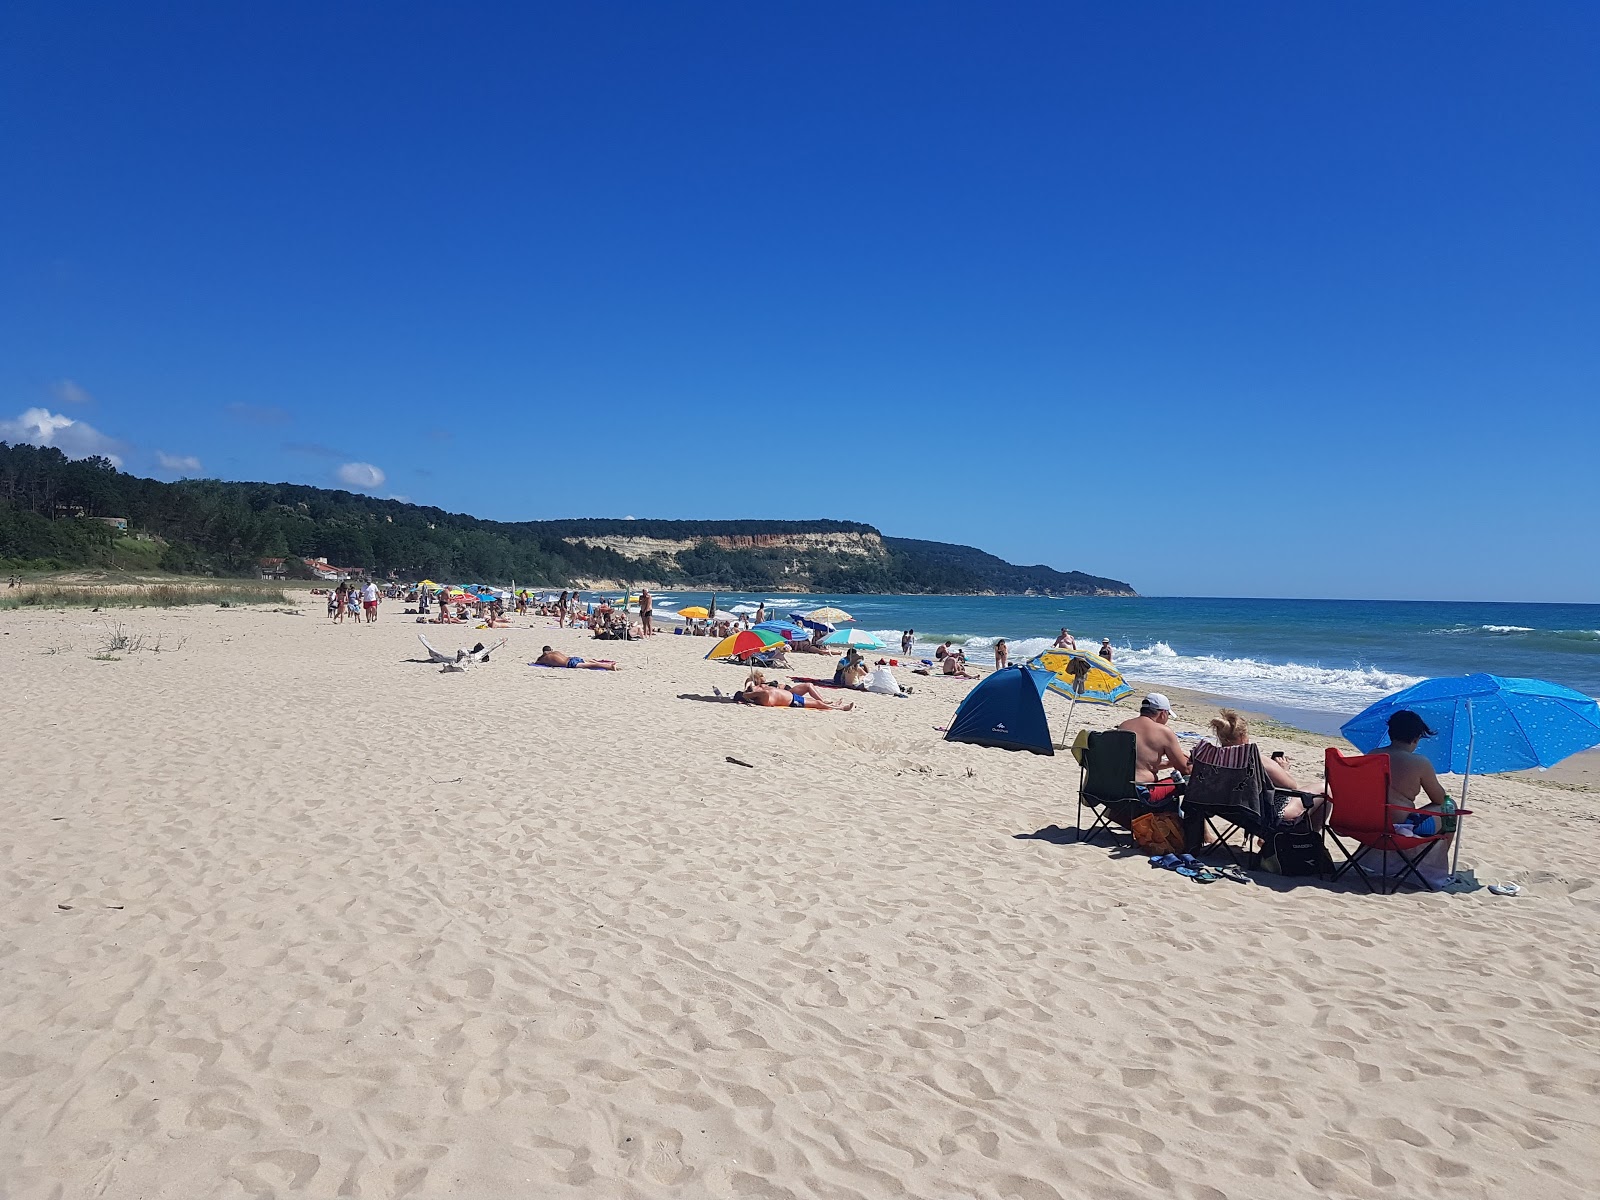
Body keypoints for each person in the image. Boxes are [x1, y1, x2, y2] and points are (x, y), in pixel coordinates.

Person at [1203, 708, 1321, 824]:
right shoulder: (1255, 759)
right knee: (1324, 790)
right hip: (1265, 814)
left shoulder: (1214, 758)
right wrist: (1284, 770)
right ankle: (1310, 837)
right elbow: (1292, 786)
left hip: (1231, 811)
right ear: (1243, 736)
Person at [1368, 710, 1448, 811]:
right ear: (1416, 739)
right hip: (1401, 822)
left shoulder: (1373, 754)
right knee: (1449, 805)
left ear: (1389, 733)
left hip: (1372, 817)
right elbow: (1440, 799)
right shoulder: (1420, 763)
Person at [1117, 693, 1191, 793]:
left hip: (1116, 786)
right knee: (1182, 781)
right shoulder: (1163, 732)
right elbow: (1186, 770)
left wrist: (1169, 763)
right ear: (1163, 714)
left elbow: (1141, 763)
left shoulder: (1124, 725)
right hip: (1140, 791)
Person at [735, 679, 853, 711]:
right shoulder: (762, 697)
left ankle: (833, 704)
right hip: (792, 701)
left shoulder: (760, 691)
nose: (753, 686)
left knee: (816, 701)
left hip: (792, 697)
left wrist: (749, 688)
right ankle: (840, 708)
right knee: (817, 703)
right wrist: (748, 694)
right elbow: (763, 692)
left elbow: (750, 681)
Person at [535, 646, 619, 670]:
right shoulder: (556, 652)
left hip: (569, 663)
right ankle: (608, 663)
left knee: (591, 665)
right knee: (590, 661)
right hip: (572, 658)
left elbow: (537, 662)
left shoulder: (545, 657)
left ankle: (610, 667)